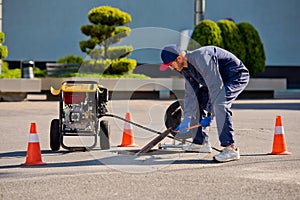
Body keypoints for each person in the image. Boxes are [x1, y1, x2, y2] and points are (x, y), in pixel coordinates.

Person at [160, 44, 249, 162]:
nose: (171, 68)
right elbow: (191, 95)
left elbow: (215, 86)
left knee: (220, 104)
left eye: (171, 65)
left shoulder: (201, 57)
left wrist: (210, 115)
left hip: (235, 77)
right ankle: (200, 142)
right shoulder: (185, 69)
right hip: (216, 83)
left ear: (179, 58)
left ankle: (231, 148)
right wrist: (187, 117)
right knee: (198, 100)